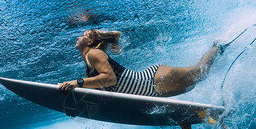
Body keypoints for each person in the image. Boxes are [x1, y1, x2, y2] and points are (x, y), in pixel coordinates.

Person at [59, 29, 226, 97]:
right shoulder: (89, 63)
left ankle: (217, 46)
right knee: (197, 78)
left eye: (82, 36)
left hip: (153, 80)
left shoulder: (94, 53)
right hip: (150, 90)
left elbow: (110, 79)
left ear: (89, 42)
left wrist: (77, 83)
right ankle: (217, 50)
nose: (77, 37)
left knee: (200, 73)